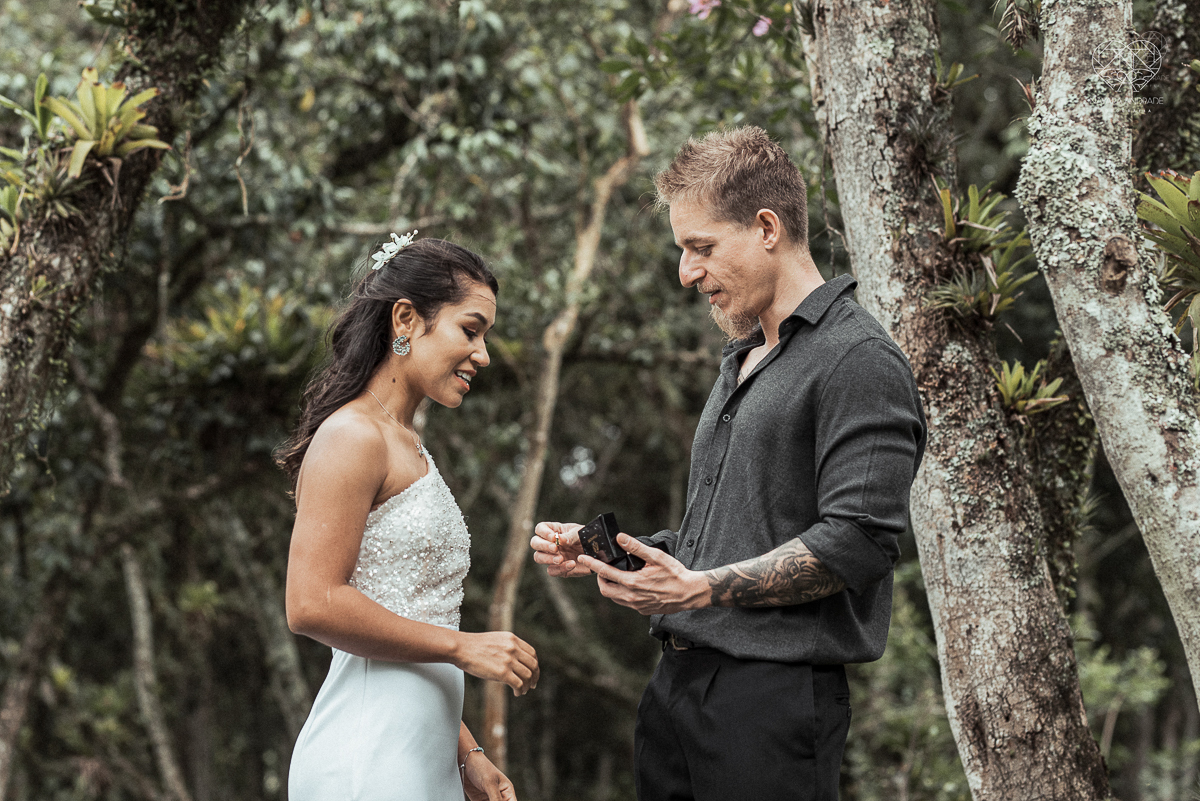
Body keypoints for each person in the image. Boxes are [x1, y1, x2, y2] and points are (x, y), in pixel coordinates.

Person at [531, 127, 927, 801]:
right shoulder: (743, 359)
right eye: (683, 251)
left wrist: (701, 589)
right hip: (676, 690)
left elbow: (858, 541)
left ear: (767, 228)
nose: (687, 273)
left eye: (702, 247)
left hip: (769, 703)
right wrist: (628, 556)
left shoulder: (858, 359)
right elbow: (727, 540)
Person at [278, 235, 538, 801]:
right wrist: (463, 646)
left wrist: (466, 754)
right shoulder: (352, 436)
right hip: (368, 755)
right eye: (470, 330)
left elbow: (411, 618)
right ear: (405, 319)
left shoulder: (409, 443)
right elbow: (311, 602)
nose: (483, 354)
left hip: (424, 753)